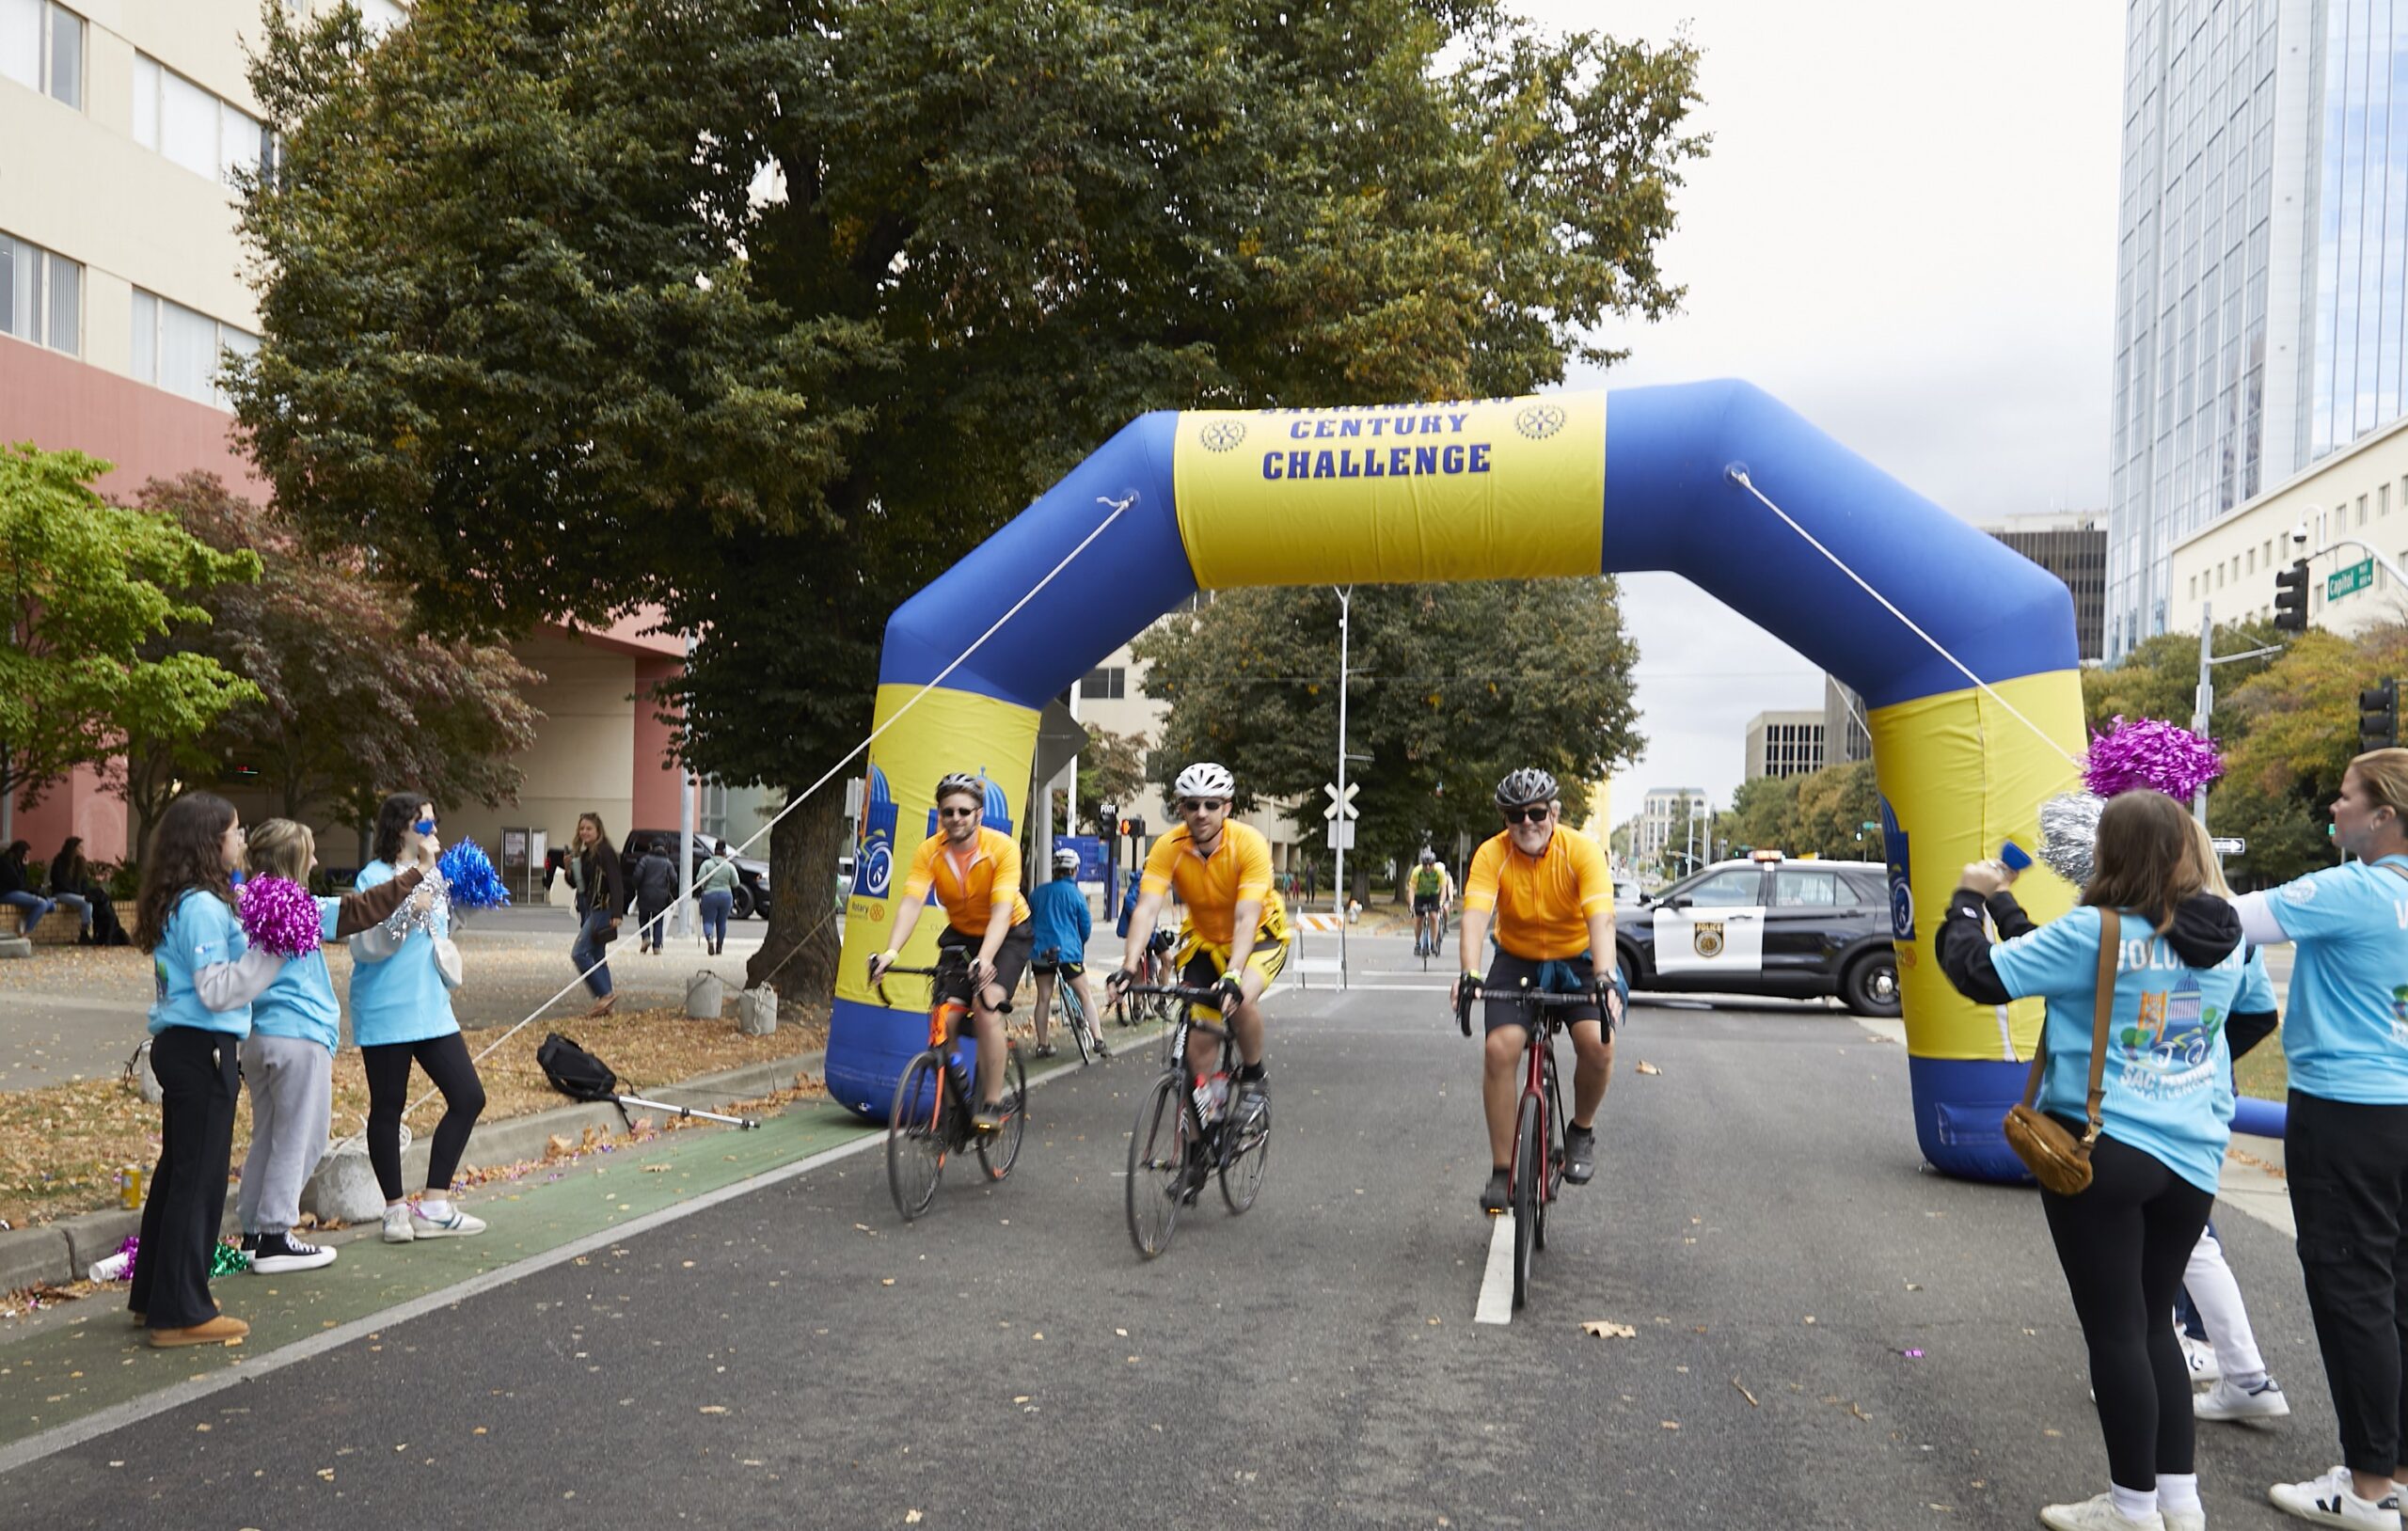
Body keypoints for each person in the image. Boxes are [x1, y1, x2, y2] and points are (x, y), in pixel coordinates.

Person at [1938, 789, 2255, 1531]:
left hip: (2099, 1149)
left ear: (2111, 853)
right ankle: (2179, 1503)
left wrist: (1967, 898)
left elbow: (1979, 973)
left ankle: (2129, 1507)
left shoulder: (2097, 930)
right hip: (2193, 1157)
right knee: (2153, 1326)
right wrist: (2180, 1076)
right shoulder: (2229, 935)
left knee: (2116, 1330)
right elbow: (2250, 1018)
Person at [2227, 748, 2408, 1529]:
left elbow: (2230, 921)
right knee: (2396, 1291)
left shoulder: (2353, 888)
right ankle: (2393, 1468)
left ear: (2384, 814)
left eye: (2344, 797)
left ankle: (2367, 1487)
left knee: (2352, 1291)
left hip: (2345, 1112)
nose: (2332, 810)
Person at [236, 817, 429, 1274]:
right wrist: (417, 871)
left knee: (266, 1134)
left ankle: (253, 1231)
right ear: (292, 860)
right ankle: (275, 1235)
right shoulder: (295, 905)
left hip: (258, 1037)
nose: (318, 860)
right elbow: (363, 910)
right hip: (299, 1036)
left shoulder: (243, 903)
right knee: (301, 1137)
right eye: (310, 852)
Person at [129, 794, 285, 1347]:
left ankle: (155, 1294)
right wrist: (273, 954)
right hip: (202, 1048)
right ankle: (181, 1313)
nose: (240, 841)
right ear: (208, 841)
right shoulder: (199, 906)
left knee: (180, 1174)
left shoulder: (195, 900)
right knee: (198, 1182)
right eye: (235, 832)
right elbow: (217, 988)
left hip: (192, 1047)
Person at [1450, 768, 1622, 1214]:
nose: (1527, 822)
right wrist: (1470, 972)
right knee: (1499, 1049)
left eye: (1537, 812)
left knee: (1598, 1045)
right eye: (1514, 815)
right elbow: (1474, 915)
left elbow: (1601, 918)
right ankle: (1504, 1169)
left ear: (1555, 812)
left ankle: (1580, 1130)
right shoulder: (1492, 855)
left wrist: (1604, 976)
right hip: (1518, 958)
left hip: (1580, 959)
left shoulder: (1580, 851)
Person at [351, 792, 487, 1245]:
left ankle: (434, 1202)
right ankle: (393, 1210)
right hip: (387, 1007)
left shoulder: (435, 874)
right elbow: (369, 945)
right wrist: (412, 906)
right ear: (400, 829)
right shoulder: (373, 877)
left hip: (431, 1006)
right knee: (387, 1106)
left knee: (468, 1096)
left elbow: (443, 930)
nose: (433, 832)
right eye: (424, 825)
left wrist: (465, 894)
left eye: (434, 823)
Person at [1111, 763, 1288, 1113]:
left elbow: (1246, 915)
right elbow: (1146, 909)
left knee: (1238, 1001)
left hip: (1260, 938)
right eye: (1192, 805)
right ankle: (1196, 1154)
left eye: (1211, 805)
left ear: (1227, 807)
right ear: (1182, 809)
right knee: (1196, 1051)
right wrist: (1128, 967)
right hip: (1206, 941)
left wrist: (1234, 974)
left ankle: (1254, 1075)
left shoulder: (1248, 843)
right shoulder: (1168, 847)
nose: (1201, 813)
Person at [866, 773, 1035, 1131]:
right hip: (961, 934)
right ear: (939, 814)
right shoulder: (930, 851)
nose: (955, 818)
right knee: (944, 1016)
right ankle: (955, 1088)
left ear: (979, 814)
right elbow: (912, 902)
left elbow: (1003, 910)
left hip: (1007, 934)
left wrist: (986, 959)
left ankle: (991, 1102)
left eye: (963, 811)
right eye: (948, 812)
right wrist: (891, 952)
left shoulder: (1002, 848)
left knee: (986, 1006)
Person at [1028, 846, 1101, 1060]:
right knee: (1085, 994)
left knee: (1043, 998)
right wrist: (1079, 943)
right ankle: (1098, 1039)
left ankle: (1042, 1044)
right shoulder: (1076, 895)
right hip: (1068, 954)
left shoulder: (1037, 894)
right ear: (1074, 870)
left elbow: (1029, 923)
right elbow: (1085, 927)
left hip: (1041, 953)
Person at [569, 813, 626, 1017]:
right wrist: (570, 869)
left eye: (589, 828)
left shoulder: (605, 852)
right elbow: (577, 884)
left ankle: (604, 994)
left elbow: (616, 882)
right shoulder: (586, 854)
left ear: (598, 830)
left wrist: (617, 912)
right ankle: (607, 1001)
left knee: (579, 952)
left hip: (603, 907)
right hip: (588, 907)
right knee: (597, 955)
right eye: (582, 828)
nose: (584, 832)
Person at [48, 835, 126, 945]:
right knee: (86, 904)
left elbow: (84, 883)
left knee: (89, 901)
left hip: (76, 894)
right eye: (79, 847)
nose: (82, 850)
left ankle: (90, 933)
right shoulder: (59, 862)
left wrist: (87, 893)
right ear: (72, 848)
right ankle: (84, 934)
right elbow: (59, 882)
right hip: (61, 893)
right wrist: (78, 893)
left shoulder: (81, 863)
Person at [0, 840, 55, 938]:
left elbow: (22, 883)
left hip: (17, 891)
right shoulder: (6, 863)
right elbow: (18, 883)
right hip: (7, 893)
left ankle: (26, 919)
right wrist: (24, 868)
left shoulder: (17, 863)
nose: (26, 858)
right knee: (42, 904)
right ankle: (26, 932)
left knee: (51, 906)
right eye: (26, 855)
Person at [633, 835, 677, 955]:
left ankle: (645, 937)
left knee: (643, 918)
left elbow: (637, 876)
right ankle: (657, 946)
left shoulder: (645, 860)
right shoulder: (667, 863)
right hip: (661, 896)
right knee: (658, 921)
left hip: (645, 894)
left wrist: (637, 887)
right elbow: (674, 879)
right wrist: (667, 889)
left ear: (651, 847)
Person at [696, 839, 739, 957]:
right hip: (726, 896)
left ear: (714, 852)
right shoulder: (729, 866)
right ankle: (719, 947)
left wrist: (705, 886)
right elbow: (736, 883)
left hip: (709, 895)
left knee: (708, 921)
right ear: (725, 852)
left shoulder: (706, 864)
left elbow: (700, 879)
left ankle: (710, 938)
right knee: (722, 923)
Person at [1411, 848, 1446, 955]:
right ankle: (1417, 943)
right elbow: (1412, 889)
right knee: (1418, 919)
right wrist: (1412, 904)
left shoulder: (1439, 872)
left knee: (1434, 917)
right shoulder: (1417, 872)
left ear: (1433, 864)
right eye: (1425, 865)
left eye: (1430, 865)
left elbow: (1443, 888)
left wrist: (1441, 903)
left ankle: (1433, 942)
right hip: (1420, 895)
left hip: (1433, 895)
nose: (1427, 867)